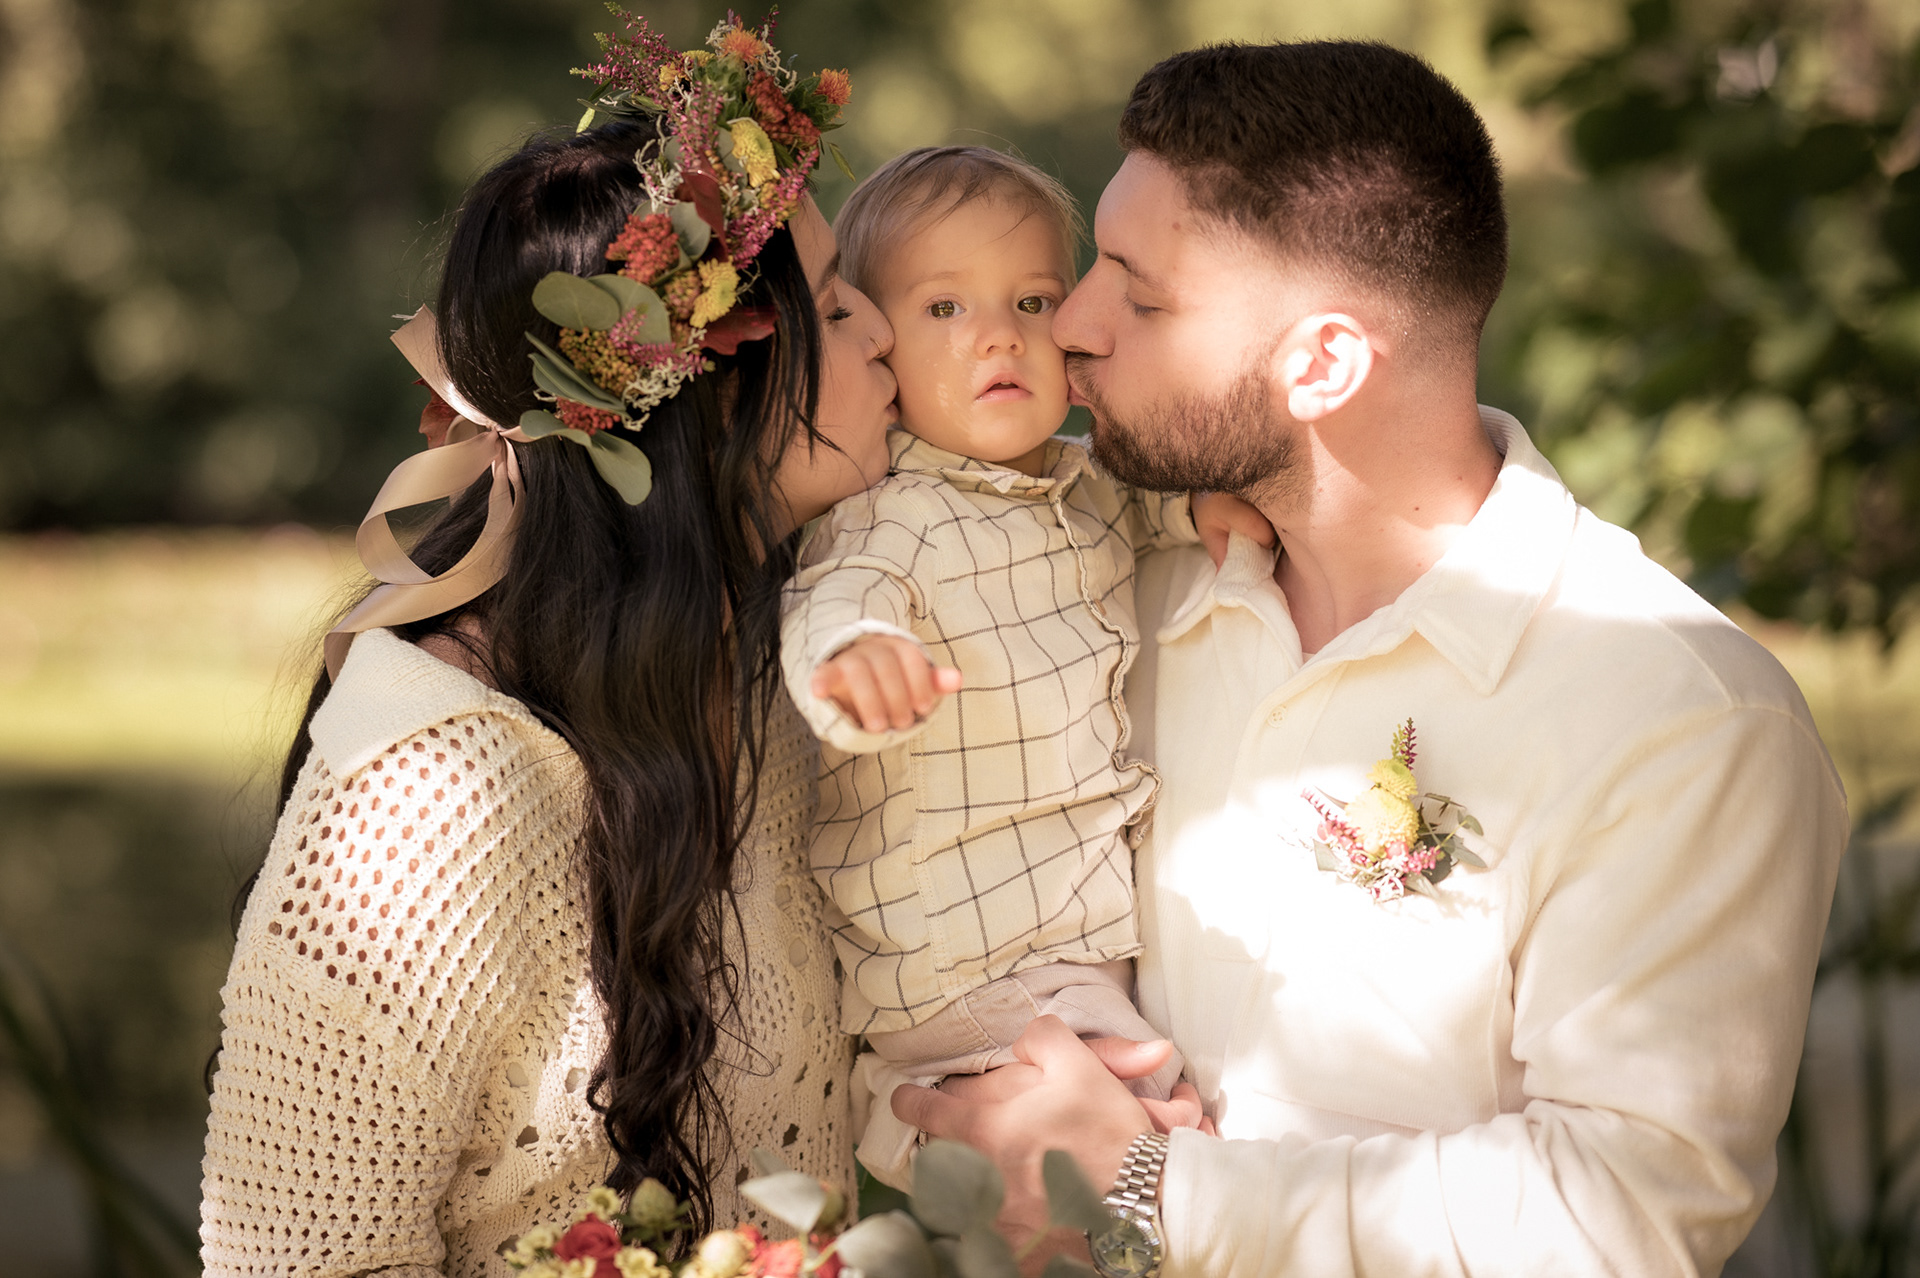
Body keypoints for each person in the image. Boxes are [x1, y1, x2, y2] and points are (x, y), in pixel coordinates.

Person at [893, 40, 1850, 1278]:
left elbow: (1624, 1214)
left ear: (1325, 364)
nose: (1071, 324)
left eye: (1140, 292)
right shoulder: (1099, 589)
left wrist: (1153, 1190)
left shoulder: (1680, 717)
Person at [199, 18, 893, 1276]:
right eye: (840, 308)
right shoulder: (426, 800)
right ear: (714, 391)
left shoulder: (774, 668)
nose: (888, 333)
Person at [777, 147, 1265, 1187]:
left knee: (1116, 1170)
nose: (1000, 334)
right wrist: (858, 661)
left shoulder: (1088, 483)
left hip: (1065, 949)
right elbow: (838, 597)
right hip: (960, 961)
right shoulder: (893, 513)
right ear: (880, 350)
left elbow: (1147, 502)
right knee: (1117, 1172)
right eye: (945, 309)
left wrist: (1199, 506)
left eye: (1034, 300)